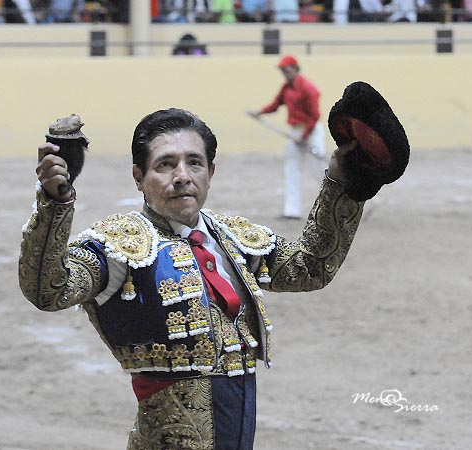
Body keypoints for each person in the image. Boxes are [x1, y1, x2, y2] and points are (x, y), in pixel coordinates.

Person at [18, 107, 365, 449]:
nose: (182, 176)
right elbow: (49, 290)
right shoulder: (119, 245)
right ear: (139, 176)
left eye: (194, 163)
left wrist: (342, 183)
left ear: (210, 172)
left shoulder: (232, 236)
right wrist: (54, 202)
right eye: (166, 164)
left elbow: (309, 268)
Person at [248, 54, 326, 220]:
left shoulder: (308, 88)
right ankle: (292, 210)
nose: (285, 73)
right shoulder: (286, 88)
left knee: (319, 170)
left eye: (287, 70)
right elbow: (275, 105)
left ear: (296, 69)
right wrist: (260, 112)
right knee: (291, 169)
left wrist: (304, 136)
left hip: (310, 131)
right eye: (283, 71)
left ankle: (332, 209)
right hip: (295, 132)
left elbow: (314, 116)